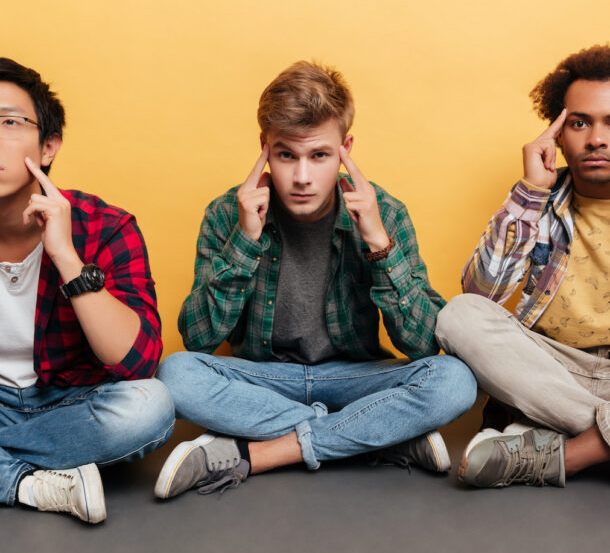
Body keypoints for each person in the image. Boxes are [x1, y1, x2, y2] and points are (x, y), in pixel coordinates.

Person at [155, 61, 476, 499]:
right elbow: (198, 338)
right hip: (266, 380)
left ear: (345, 148)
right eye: (287, 154)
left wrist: (378, 243)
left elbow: (422, 344)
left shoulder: (385, 211)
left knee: (454, 379)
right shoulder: (230, 213)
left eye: (319, 155)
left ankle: (263, 451)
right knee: (175, 374)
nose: (302, 177)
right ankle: (375, 434)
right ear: (264, 147)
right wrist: (246, 239)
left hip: (358, 378)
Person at [0, 58, 174, 523]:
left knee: (150, 407)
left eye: (9, 123)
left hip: (69, 402)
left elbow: (138, 362)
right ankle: (30, 484)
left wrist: (66, 257)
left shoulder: (106, 226)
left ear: (49, 145)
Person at [436, 44, 610, 488]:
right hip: (548, 372)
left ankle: (564, 453)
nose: (596, 139)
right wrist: (530, 194)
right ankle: (596, 441)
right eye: (579, 122)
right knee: (458, 315)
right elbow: (482, 295)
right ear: (557, 132)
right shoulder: (542, 204)